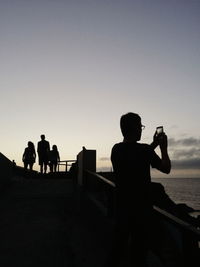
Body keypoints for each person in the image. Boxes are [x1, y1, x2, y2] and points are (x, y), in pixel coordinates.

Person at [105, 112, 171, 267]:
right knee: (138, 254)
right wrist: (163, 147)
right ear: (135, 128)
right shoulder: (144, 151)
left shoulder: (116, 149)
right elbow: (166, 168)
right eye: (140, 126)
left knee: (117, 250)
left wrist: (153, 145)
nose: (142, 129)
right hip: (141, 212)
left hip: (121, 208)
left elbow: (136, 153)